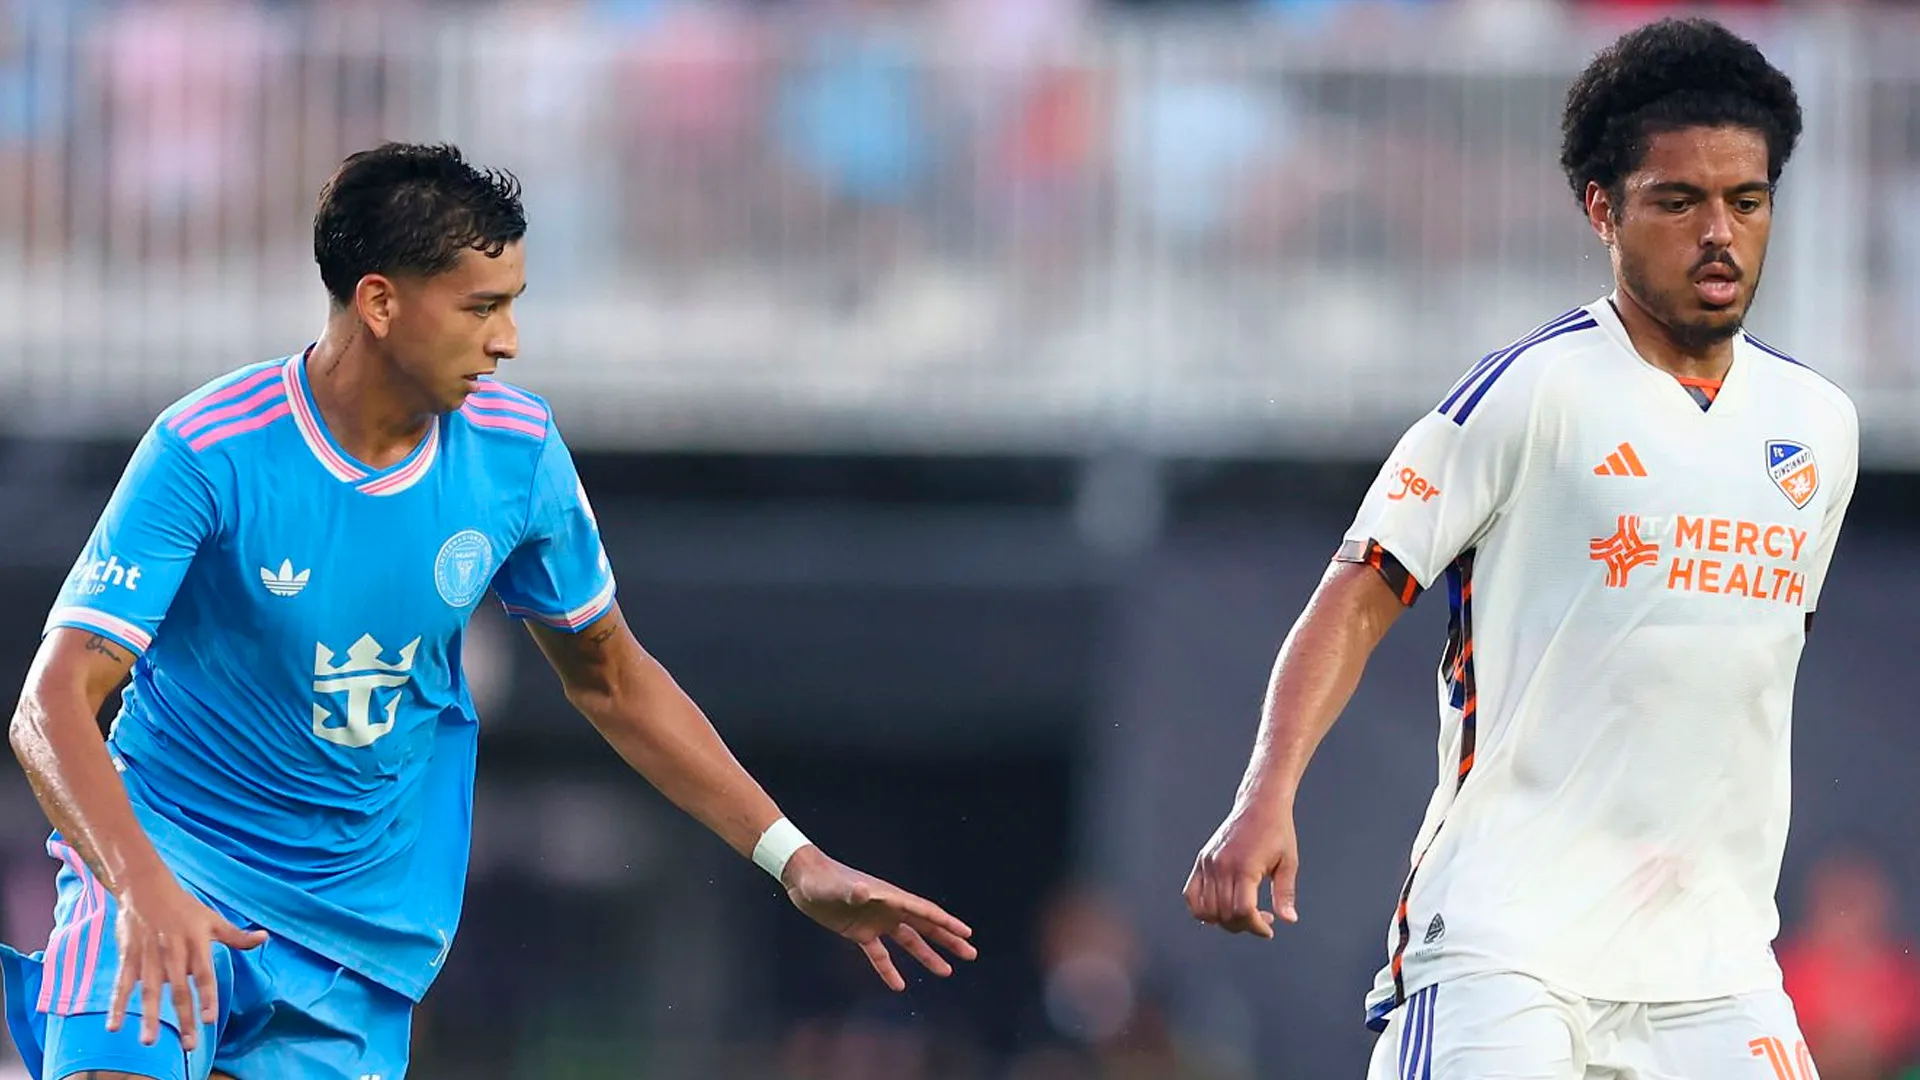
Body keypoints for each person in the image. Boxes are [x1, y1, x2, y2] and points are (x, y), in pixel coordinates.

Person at [0, 142, 975, 1080]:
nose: (507, 339)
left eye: (511, 306)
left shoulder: (516, 453)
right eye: (480, 308)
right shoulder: (208, 450)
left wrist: (793, 859)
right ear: (379, 301)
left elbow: (612, 678)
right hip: (167, 860)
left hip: (353, 932)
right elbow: (51, 704)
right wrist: (137, 883)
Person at [1183, 18, 1856, 1080]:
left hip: (1716, 964)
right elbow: (1358, 591)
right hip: (1508, 943)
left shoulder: (1821, 426)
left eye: (1747, 200)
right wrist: (1264, 794)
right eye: (1678, 201)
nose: (1719, 232)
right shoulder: (1525, 394)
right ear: (1604, 208)